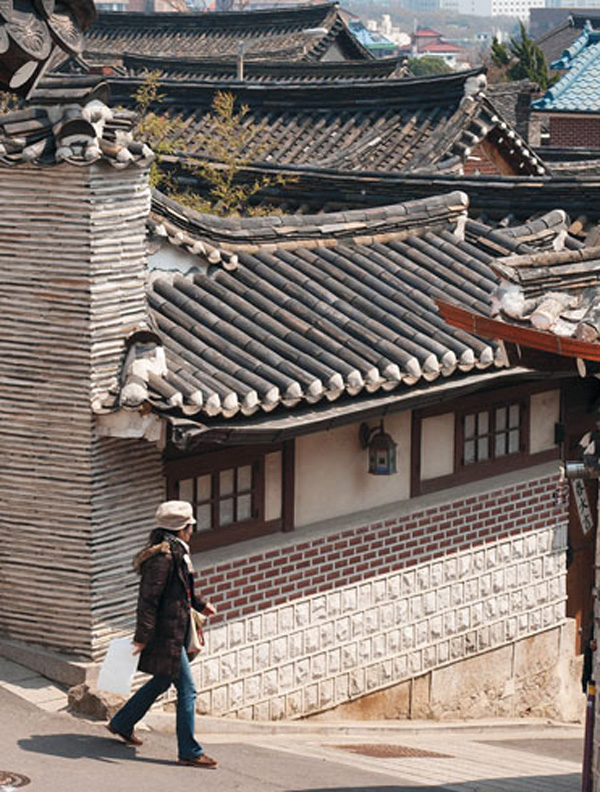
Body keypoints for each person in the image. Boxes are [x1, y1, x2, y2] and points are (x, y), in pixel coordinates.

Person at [106, 500, 218, 769]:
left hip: (173, 629)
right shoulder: (163, 558)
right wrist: (142, 637)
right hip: (166, 633)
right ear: (182, 529)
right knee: (188, 690)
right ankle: (189, 751)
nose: (193, 530)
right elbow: (148, 600)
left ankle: (122, 722)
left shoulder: (176, 553)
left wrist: (201, 605)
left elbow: (183, 590)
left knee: (163, 681)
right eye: (190, 525)